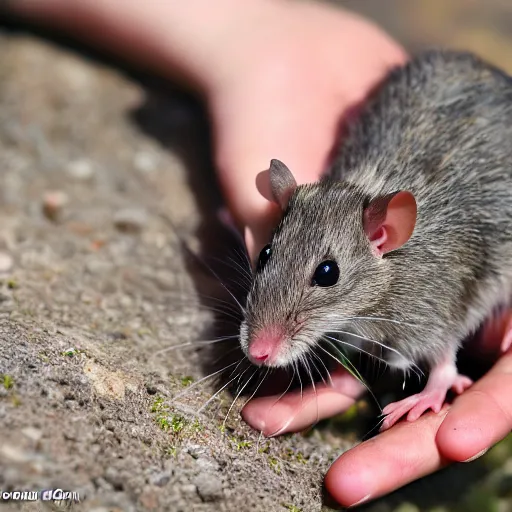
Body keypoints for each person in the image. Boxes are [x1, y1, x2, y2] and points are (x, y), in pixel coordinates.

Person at [4, 0, 512, 507]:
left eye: (328, 273)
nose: (260, 346)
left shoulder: (416, 269)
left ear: (386, 237)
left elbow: (459, 296)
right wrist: (256, 35)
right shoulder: (319, 210)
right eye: (267, 255)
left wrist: (441, 371)